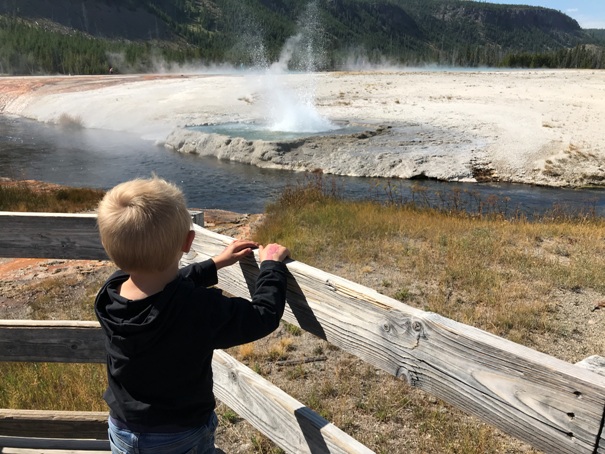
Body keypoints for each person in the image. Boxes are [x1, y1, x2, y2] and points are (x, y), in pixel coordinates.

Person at [94, 177, 290, 454]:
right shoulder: (195, 307)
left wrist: (215, 264)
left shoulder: (110, 293)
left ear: (107, 245)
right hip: (179, 434)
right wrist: (271, 267)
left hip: (123, 428)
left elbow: (164, 286)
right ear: (188, 241)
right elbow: (262, 316)